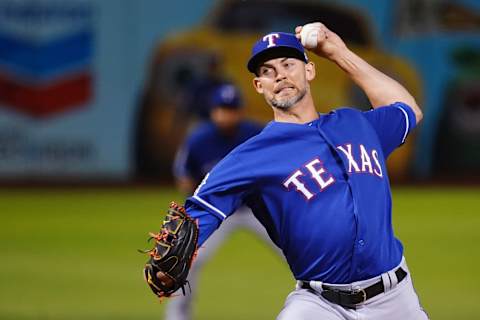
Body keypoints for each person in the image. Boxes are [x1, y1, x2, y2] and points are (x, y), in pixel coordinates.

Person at [178, 22, 427, 319]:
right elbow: (201, 207)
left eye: (288, 64)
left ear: (309, 70)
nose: (280, 74)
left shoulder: (358, 124)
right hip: (320, 304)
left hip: (396, 300)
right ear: (259, 86)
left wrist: (339, 53)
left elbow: (407, 108)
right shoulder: (252, 155)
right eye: (268, 71)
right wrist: (178, 253)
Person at [167, 82, 280, 320]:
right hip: (218, 213)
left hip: (256, 211)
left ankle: (323, 306)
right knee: (187, 260)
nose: (225, 114)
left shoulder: (257, 134)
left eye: (230, 108)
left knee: (301, 253)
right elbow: (184, 176)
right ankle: (177, 317)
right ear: (212, 111)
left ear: (240, 111)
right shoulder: (198, 140)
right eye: (221, 108)